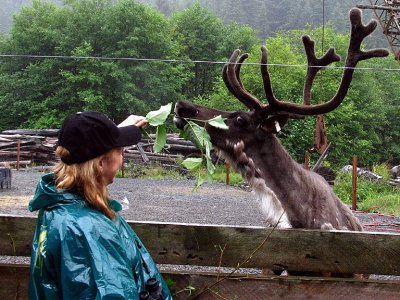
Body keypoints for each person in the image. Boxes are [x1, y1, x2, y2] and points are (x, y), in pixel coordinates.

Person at [28, 111, 172, 299]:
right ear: (101, 164)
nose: (122, 158)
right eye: (120, 152)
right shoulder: (91, 231)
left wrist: (114, 133)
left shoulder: (57, 205)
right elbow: (110, 292)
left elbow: (86, 145)